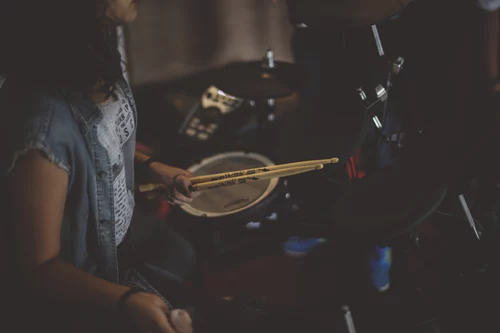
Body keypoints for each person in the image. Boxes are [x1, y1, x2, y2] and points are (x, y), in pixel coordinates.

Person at [0, 1, 213, 332]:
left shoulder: (96, 50)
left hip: (120, 232)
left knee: (185, 259)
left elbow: (102, 148)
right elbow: (38, 268)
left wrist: (151, 167)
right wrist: (126, 300)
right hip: (81, 276)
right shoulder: (42, 130)